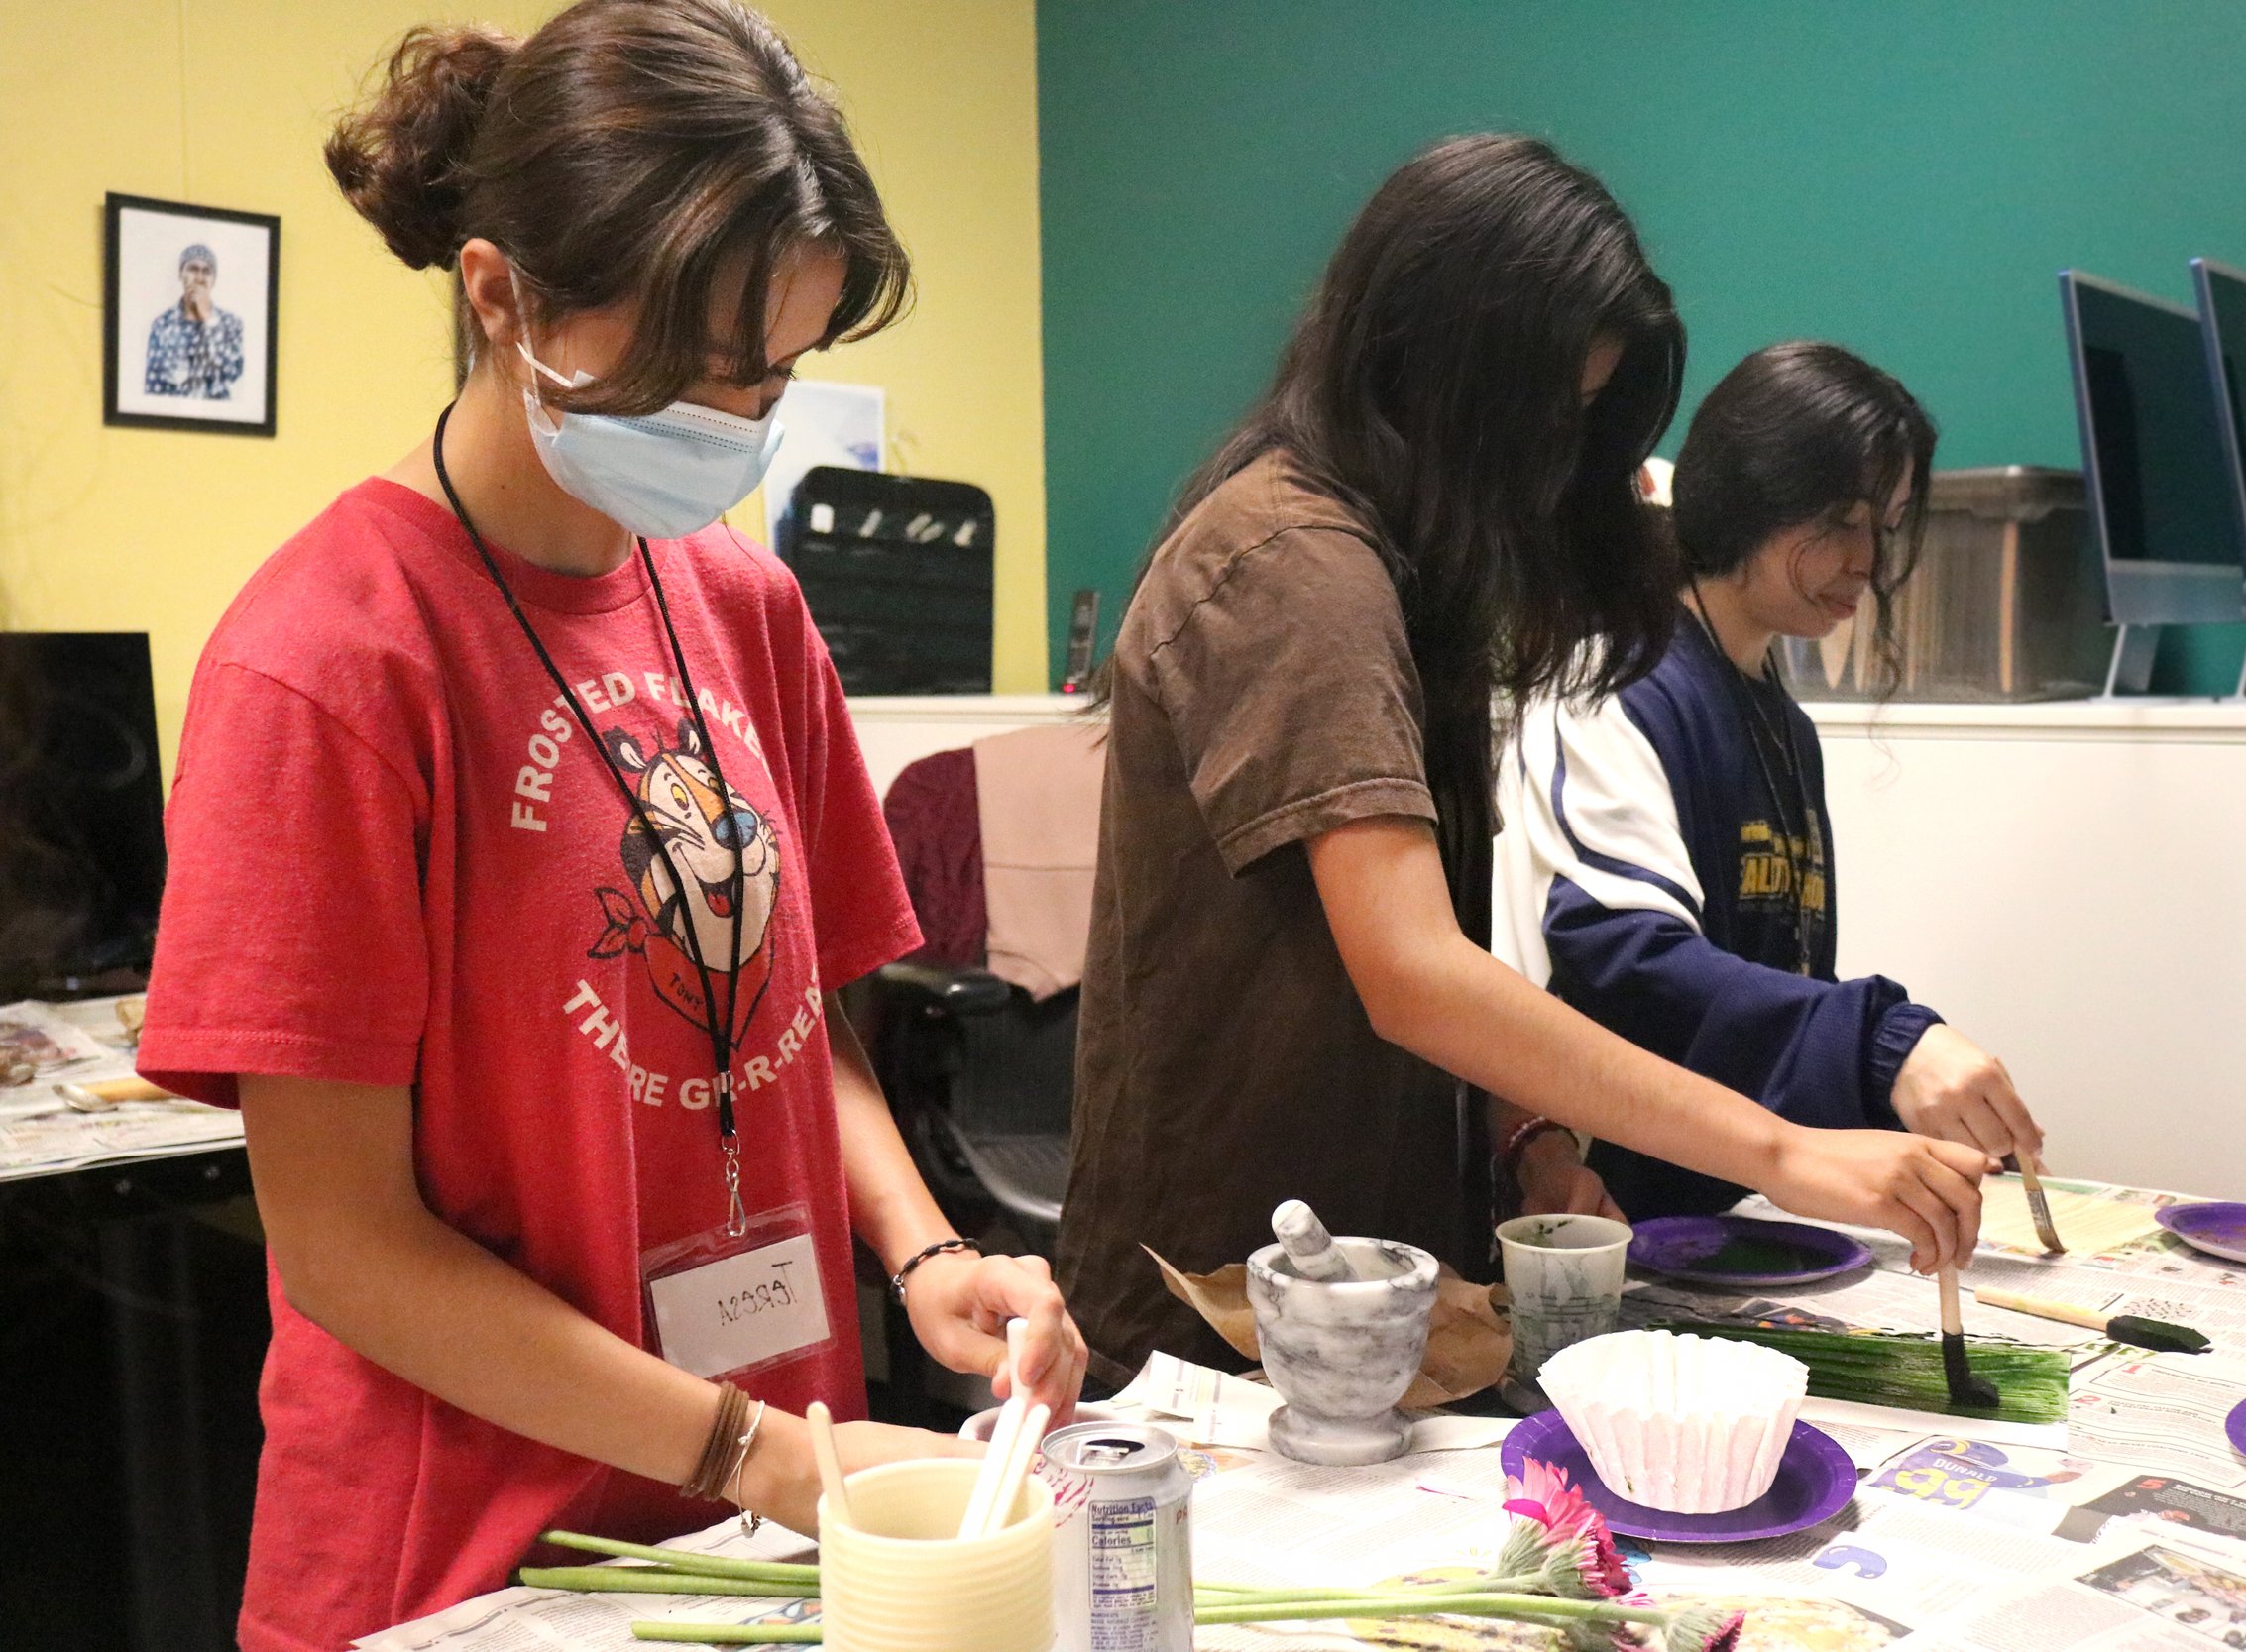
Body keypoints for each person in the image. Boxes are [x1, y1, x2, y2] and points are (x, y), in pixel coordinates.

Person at [134, 5, 1084, 1647]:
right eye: (699, 371)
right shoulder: (329, 662)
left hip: (761, 1532)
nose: (743, 418)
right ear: (501, 298)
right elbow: (347, 1245)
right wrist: (760, 1449)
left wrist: (924, 1245)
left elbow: (804, 1025)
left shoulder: (749, 607)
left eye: (776, 369)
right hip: (470, 1569)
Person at [1056, 138, 1996, 1386]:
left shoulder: (1400, 576)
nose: (1558, 461)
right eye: (1549, 414)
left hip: (1369, 1287)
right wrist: (1789, 1151)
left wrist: (1527, 1129)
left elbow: (1405, 954)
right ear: (1434, 368)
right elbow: (1413, 972)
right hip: (1227, 1311)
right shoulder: (1291, 562)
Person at [1494, 341, 2044, 1221]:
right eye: (1840, 517)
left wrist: (1898, 1109)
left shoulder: (1785, 726)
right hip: (1613, 1223)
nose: (1866, 559)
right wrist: (1884, 1046)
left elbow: (1767, 997)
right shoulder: (1611, 686)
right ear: (1750, 494)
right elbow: (1633, 968)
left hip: (1727, 1221)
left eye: (1885, 524)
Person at [143, 242, 247, 398]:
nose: (199, 278)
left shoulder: (231, 324)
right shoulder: (162, 325)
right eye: (193, 269)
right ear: (181, 274)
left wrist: (208, 319)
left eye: (207, 271)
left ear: (214, 280)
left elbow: (232, 372)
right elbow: (152, 387)